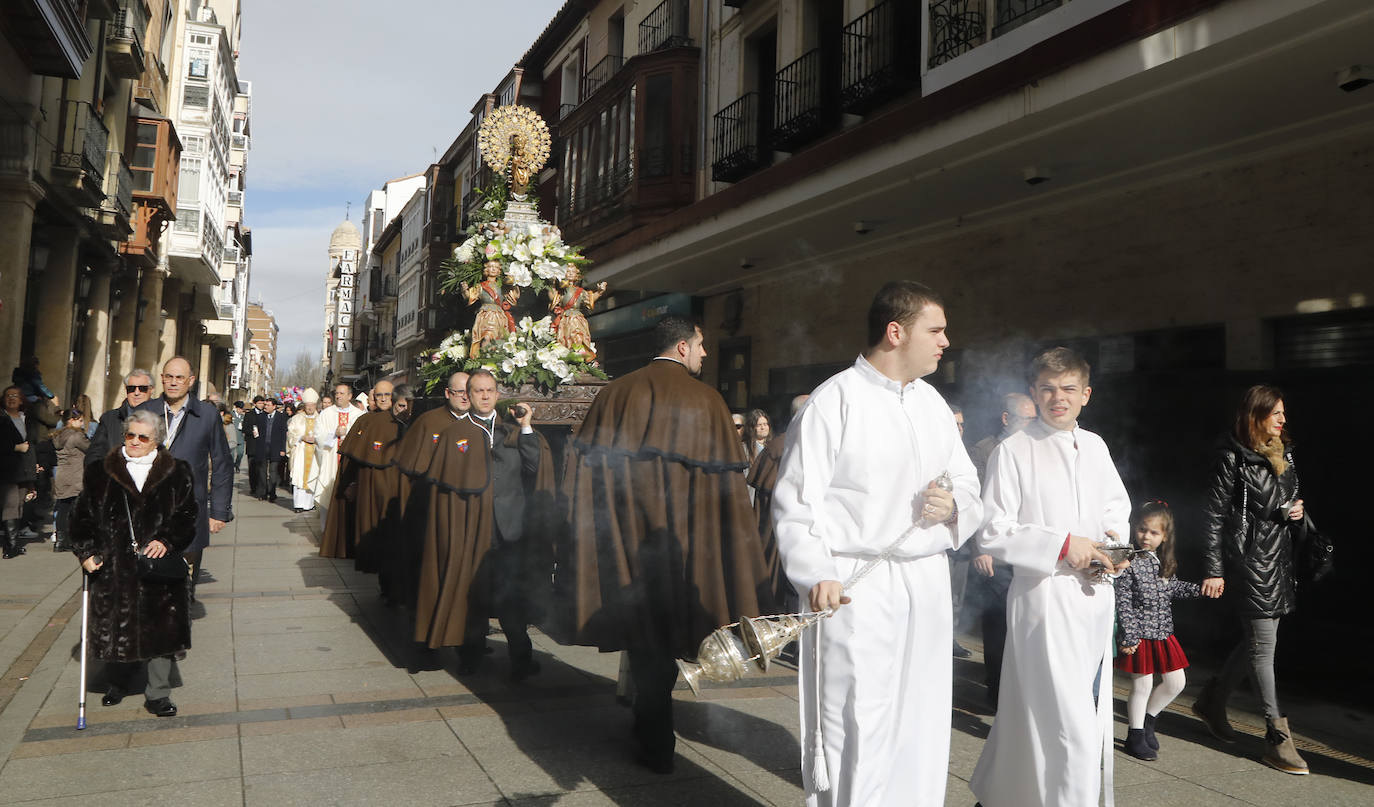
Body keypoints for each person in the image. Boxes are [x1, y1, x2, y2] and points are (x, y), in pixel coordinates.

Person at [773, 281, 982, 806]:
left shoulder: (933, 403)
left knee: (923, 716)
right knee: (859, 718)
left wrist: (953, 506)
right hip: (856, 585)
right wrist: (815, 571)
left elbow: (969, 483)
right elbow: (797, 500)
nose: (945, 342)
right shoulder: (834, 400)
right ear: (896, 332)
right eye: (935, 330)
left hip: (926, 581)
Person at [558, 315, 773, 774]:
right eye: (700, 345)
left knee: (645, 636)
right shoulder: (707, 399)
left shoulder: (614, 394)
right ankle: (655, 740)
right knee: (669, 637)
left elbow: (586, 475)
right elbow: (727, 493)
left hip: (625, 543)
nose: (704, 354)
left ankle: (650, 729)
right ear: (680, 347)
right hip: (687, 548)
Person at [969, 347, 1127, 807]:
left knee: (1033, 712)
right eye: (1048, 389)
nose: (1058, 398)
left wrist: (1114, 545)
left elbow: (1116, 508)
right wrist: (1063, 544)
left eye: (1068, 389)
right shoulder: (1014, 450)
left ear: (1086, 394)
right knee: (1072, 723)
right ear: (1034, 393)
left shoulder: (1096, 446)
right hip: (1044, 596)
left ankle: (1002, 797)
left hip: (1093, 597)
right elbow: (994, 530)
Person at [1194, 385, 1310, 775]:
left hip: (1277, 559)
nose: (1282, 419)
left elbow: (1287, 496)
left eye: (1283, 413)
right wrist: (1213, 568)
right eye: (1275, 413)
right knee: (1263, 647)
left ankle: (1212, 701)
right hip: (1248, 561)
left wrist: (1294, 510)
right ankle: (1277, 737)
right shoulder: (1231, 457)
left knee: (1258, 641)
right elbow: (1212, 516)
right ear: (1255, 415)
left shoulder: (1283, 453)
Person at [70, 409, 197, 717]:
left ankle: (158, 694)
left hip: (158, 563)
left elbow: (187, 515)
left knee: (161, 629)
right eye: (130, 435)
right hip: (114, 564)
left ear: (157, 441)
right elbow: (81, 516)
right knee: (117, 625)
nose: (136, 442)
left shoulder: (176, 471)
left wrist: (166, 540)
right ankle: (118, 683)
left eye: (143, 437)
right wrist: (86, 552)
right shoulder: (101, 471)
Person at [458, 372, 553, 679]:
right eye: (478, 391)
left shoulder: (512, 431)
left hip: (509, 529)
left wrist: (526, 426)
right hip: (474, 527)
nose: (484, 396)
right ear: (468, 396)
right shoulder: (459, 431)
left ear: (498, 395)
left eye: (490, 391)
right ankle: (469, 656)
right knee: (474, 594)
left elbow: (533, 465)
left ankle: (521, 660)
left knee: (510, 597)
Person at [1114, 500, 1212, 761]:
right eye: (1142, 529)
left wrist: (1200, 589)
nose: (1146, 536)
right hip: (1139, 635)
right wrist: (1129, 635)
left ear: (1165, 536)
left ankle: (1148, 721)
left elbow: (1173, 588)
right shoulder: (1129, 561)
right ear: (1135, 528)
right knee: (1142, 684)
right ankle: (1134, 735)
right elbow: (1123, 601)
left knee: (1176, 682)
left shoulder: (1164, 562)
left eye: (1154, 532)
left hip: (1163, 633)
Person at [134, 357, 232, 594]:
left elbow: (222, 463)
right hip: (149, 512)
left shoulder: (207, 415)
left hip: (189, 512)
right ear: (162, 380)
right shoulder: (144, 411)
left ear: (191, 381)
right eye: (169, 377)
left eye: (179, 378)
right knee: (147, 580)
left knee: (183, 585)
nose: (173, 383)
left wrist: (219, 512)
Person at [965, 392, 1037, 708]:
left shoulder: (1037, 449)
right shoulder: (983, 451)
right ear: (1006, 419)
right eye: (1027, 419)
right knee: (998, 625)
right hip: (994, 555)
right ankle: (997, 690)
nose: (1033, 426)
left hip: (1027, 551)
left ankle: (1020, 689)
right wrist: (979, 548)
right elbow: (975, 505)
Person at [393, 371, 470, 615]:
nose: (465, 397)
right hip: (432, 506)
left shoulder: (485, 422)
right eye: (460, 392)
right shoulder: (428, 422)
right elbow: (411, 465)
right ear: (448, 393)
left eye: (470, 391)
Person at [319, 380, 404, 564]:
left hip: (393, 487)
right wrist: (350, 483)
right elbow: (352, 457)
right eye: (378, 395)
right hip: (366, 485)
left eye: (386, 395)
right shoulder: (364, 420)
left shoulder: (403, 421)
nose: (382, 399)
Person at [315, 382, 365, 526]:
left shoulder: (359, 415)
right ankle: (326, 530)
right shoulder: (326, 414)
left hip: (349, 461)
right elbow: (318, 435)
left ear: (350, 396)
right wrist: (333, 434)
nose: (338, 396)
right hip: (331, 461)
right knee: (328, 493)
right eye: (336, 393)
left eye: (342, 393)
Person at [1, 385, 38, 559]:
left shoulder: (26, 418)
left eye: (15, 395)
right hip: (7, 468)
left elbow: (32, 444)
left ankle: (13, 544)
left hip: (24, 468)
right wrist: (15, 447)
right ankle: (11, 546)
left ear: (22, 399)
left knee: (20, 504)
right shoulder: (2, 417)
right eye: (8, 395)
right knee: (11, 504)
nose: (11, 398)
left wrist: (35, 467)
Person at [88, 370, 155, 465]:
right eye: (131, 389)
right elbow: (93, 456)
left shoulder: (161, 418)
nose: (136, 393)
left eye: (142, 388)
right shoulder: (109, 419)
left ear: (151, 390)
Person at [52, 408, 90, 553]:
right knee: (76, 509)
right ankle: (73, 540)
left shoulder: (59, 436)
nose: (82, 423)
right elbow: (91, 448)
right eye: (80, 420)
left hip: (62, 475)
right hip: (75, 475)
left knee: (63, 507)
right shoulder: (77, 437)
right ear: (71, 421)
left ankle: (61, 541)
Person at [287, 390, 322, 512]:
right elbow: (291, 434)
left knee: (313, 476)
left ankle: (309, 504)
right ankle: (298, 505)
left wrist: (316, 439)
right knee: (299, 478)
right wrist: (301, 437)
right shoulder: (296, 419)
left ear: (315, 406)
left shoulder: (321, 418)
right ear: (304, 406)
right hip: (301, 453)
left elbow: (324, 434)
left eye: (312, 406)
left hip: (315, 452)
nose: (310, 408)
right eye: (308, 406)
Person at [248, 397, 287, 502]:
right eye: (265, 405)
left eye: (268, 405)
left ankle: (272, 492)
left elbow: (283, 434)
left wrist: (283, 449)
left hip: (275, 447)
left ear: (274, 407)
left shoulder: (281, 417)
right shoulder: (261, 417)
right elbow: (256, 430)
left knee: (273, 471)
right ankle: (263, 492)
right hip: (262, 447)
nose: (266, 407)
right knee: (262, 471)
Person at [242, 396, 265, 491]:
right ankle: (253, 487)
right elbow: (244, 428)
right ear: (255, 404)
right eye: (259, 403)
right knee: (252, 468)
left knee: (261, 468)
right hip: (252, 445)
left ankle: (261, 487)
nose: (261, 405)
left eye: (262, 403)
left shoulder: (265, 414)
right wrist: (252, 432)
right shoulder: (249, 414)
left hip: (262, 445)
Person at [231, 401, 246, 474]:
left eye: (242, 409)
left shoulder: (243, 417)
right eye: (239, 408)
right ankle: (231, 466)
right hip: (232, 438)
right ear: (236, 408)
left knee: (240, 453)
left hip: (240, 438)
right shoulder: (231, 415)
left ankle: (237, 464)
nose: (241, 410)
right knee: (231, 454)